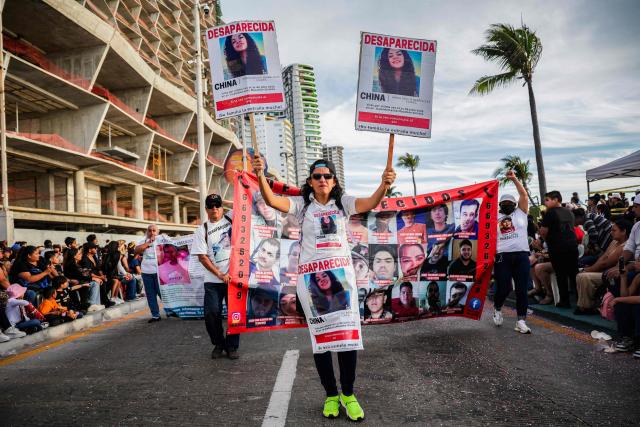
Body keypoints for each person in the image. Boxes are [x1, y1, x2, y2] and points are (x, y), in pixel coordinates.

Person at [253, 154, 395, 421]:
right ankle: (331, 395)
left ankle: (349, 395)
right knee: (322, 341)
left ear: (333, 180)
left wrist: (384, 184)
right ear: (310, 181)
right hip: (310, 284)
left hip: (342, 281)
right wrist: (261, 174)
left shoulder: (344, 203)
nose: (322, 180)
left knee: (347, 341)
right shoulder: (300, 205)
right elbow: (272, 200)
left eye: (327, 176)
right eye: (317, 176)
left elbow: (371, 202)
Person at [191, 194, 238, 360]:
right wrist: (220, 274)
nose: (214, 209)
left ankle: (232, 346)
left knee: (235, 314)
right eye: (210, 206)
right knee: (211, 314)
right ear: (206, 209)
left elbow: (244, 203)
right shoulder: (201, 229)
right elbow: (202, 257)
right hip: (213, 280)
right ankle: (219, 344)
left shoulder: (232, 218)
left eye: (217, 205)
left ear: (222, 207)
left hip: (234, 279)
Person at [491, 171, 532, 334]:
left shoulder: (521, 212)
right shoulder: (494, 217)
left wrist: (514, 179)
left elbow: (523, 194)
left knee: (522, 289)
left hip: (522, 255)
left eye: (510, 202)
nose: (507, 204)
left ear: (515, 204)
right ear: (500, 205)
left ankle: (521, 320)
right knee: (504, 288)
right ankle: (498, 307)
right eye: (504, 203)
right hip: (503, 255)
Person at [574, 218, 631, 315]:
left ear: (624, 231)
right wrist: (589, 269)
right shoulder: (614, 242)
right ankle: (584, 305)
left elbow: (606, 263)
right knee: (580, 273)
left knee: (582, 276)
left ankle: (586, 306)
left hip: (610, 274)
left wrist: (587, 270)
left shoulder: (625, 246)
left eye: (614, 230)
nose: (611, 233)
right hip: (604, 271)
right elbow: (602, 258)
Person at [539, 191, 578, 308]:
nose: (545, 202)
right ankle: (579, 299)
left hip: (558, 247)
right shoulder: (569, 212)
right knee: (573, 274)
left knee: (560, 274)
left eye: (547, 200)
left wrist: (548, 241)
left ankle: (564, 301)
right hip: (572, 245)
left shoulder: (550, 213)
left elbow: (543, 231)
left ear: (556, 199)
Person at [135, 224, 162, 323]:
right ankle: (155, 315)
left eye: (154, 230)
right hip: (146, 272)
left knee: (162, 293)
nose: (152, 232)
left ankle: (170, 310)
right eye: (150, 230)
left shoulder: (162, 239)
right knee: (150, 295)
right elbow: (136, 250)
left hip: (160, 272)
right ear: (147, 231)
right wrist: (148, 243)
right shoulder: (143, 240)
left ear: (158, 232)